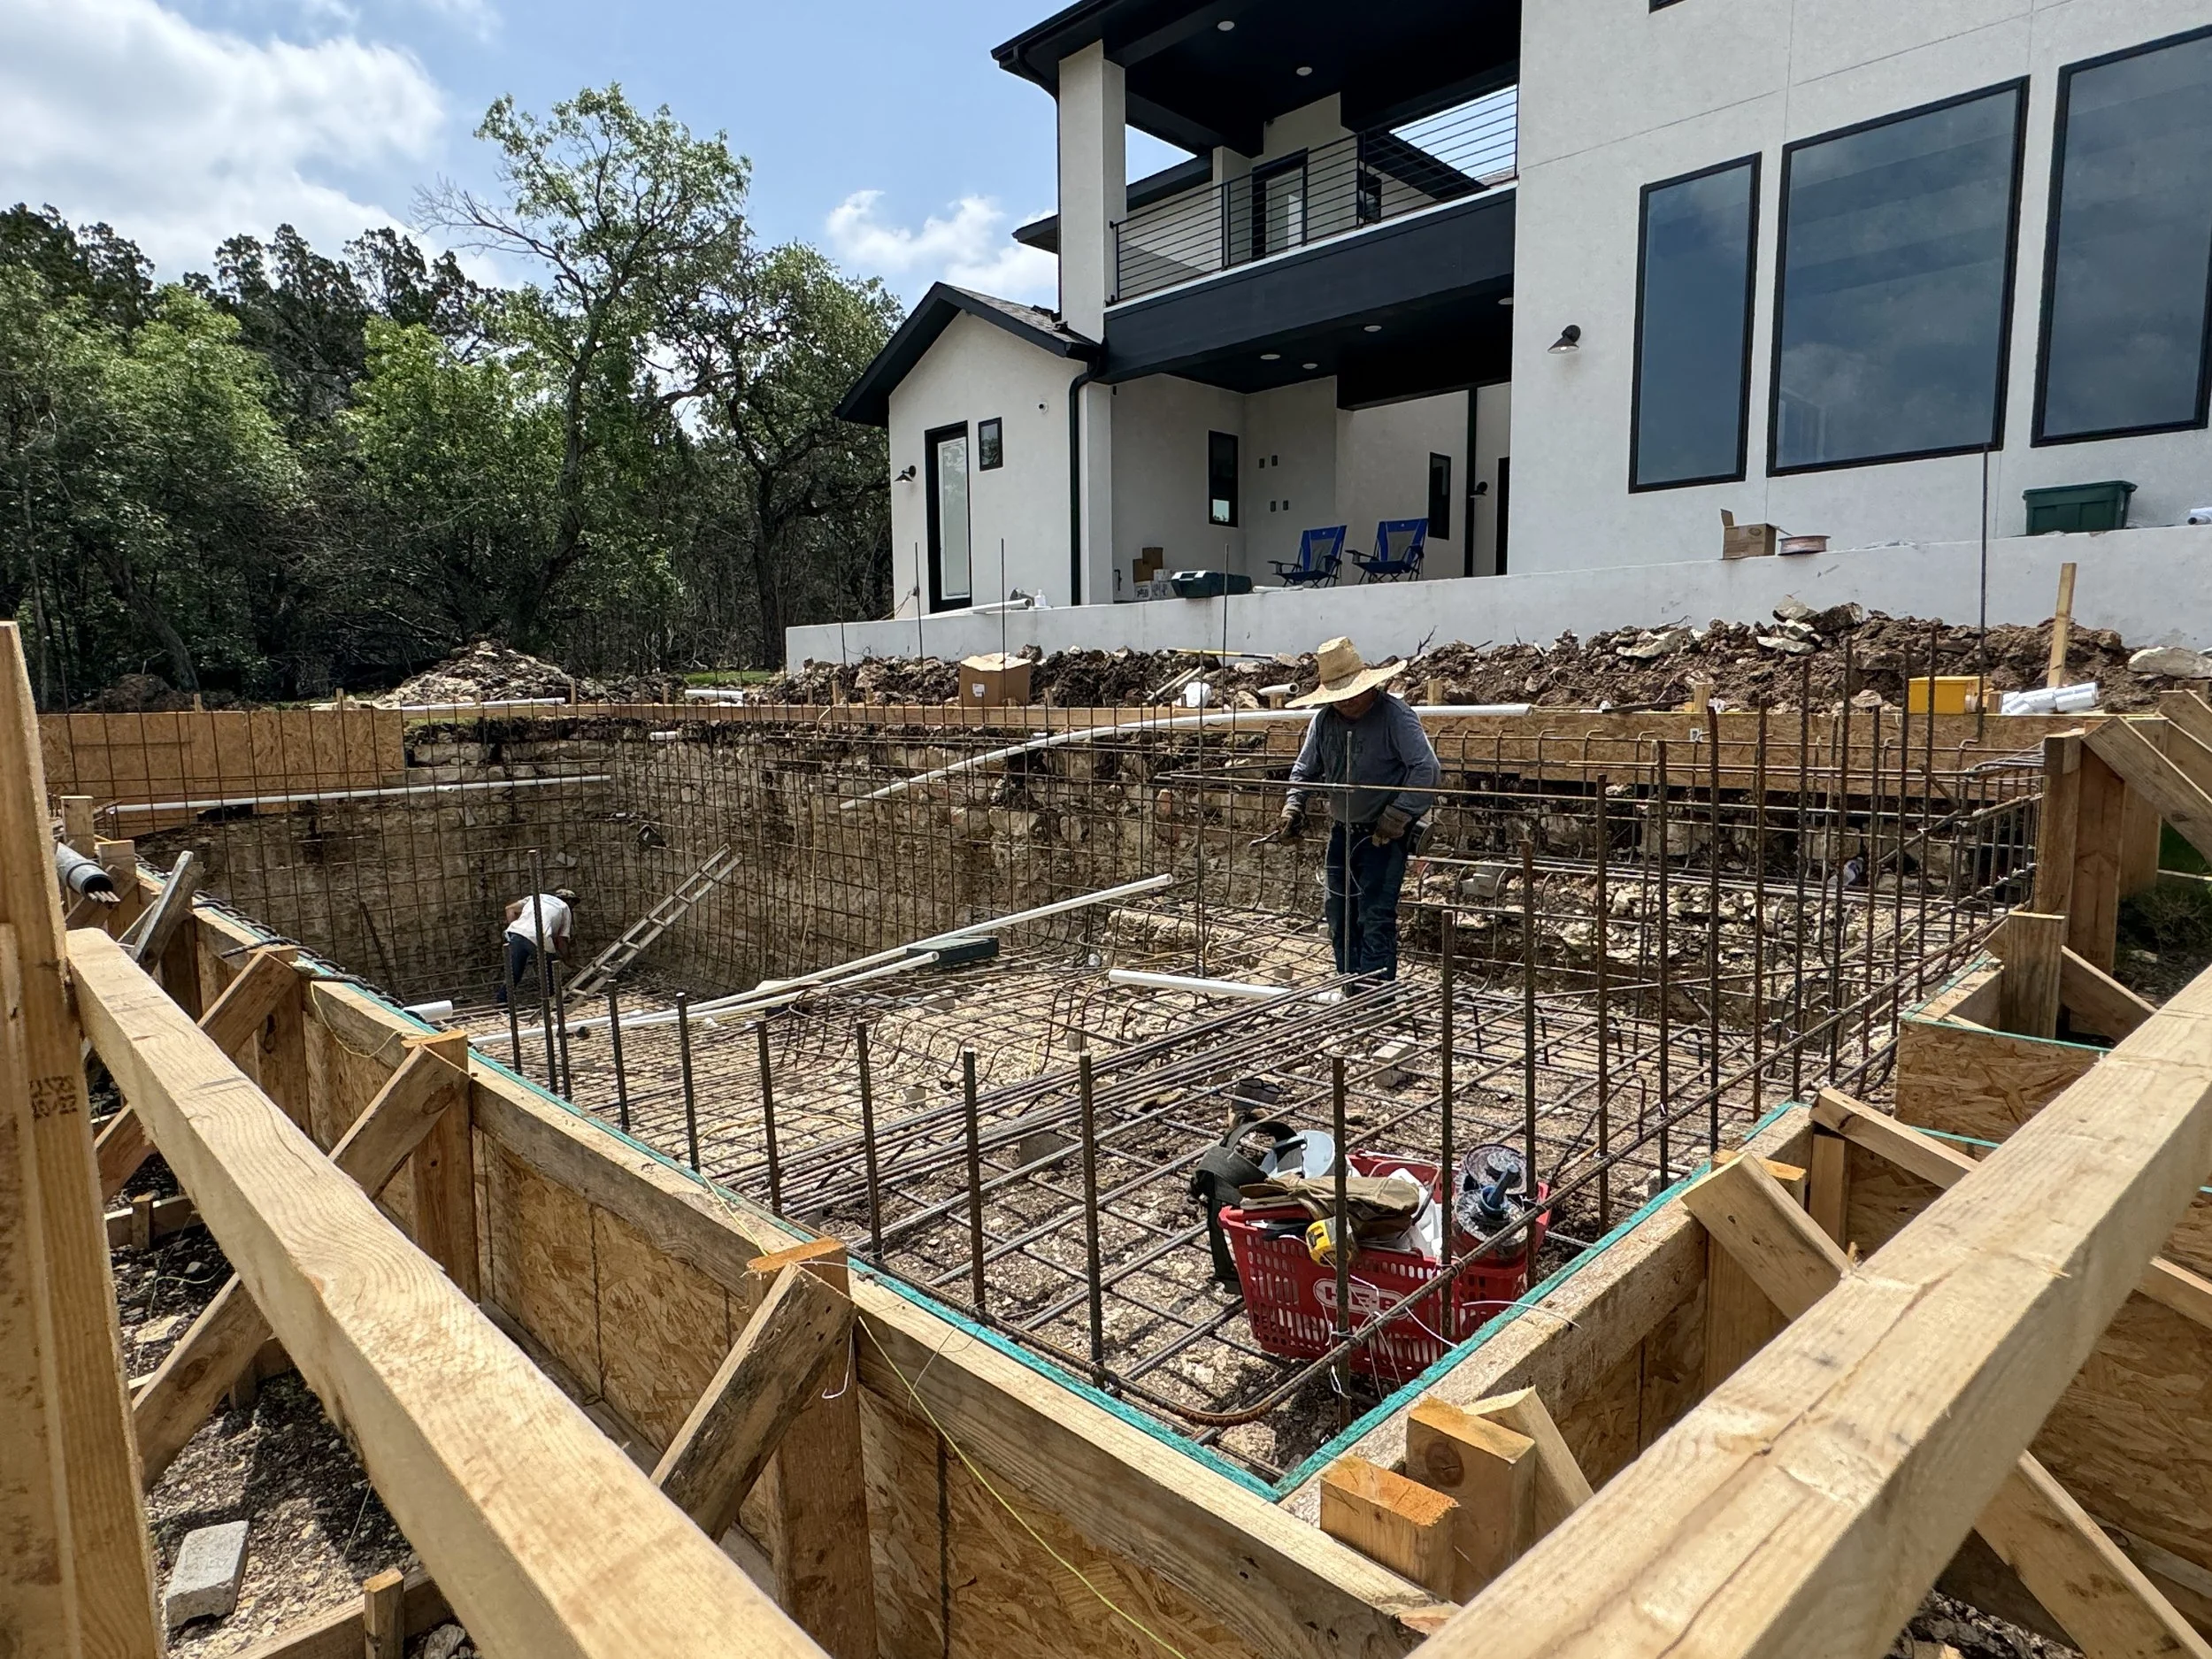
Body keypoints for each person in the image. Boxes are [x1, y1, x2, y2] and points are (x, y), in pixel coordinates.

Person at [1278, 638, 1440, 986]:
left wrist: (1397, 816)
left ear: (1370, 685)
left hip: (1384, 836)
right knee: (1339, 914)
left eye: (1352, 692)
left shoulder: (1395, 716)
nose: (1347, 702)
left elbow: (1426, 769)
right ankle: (1349, 986)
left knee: (1375, 915)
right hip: (1343, 831)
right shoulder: (1323, 722)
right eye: (1339, 696)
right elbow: (1304, 771)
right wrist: (1294, 805)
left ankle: (1376, 996)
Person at [502, 887, 577, 1003]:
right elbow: (562, 940)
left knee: (514, 972)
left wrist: (516, 927)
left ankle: (502, 1000)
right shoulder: (564, 908)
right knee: (550, 969)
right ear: (569, 901)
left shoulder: (537, 897)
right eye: (573, 903)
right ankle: (554, 999)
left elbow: (510, 909)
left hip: (516, 934)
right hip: (540, 937)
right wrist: (568, 960)